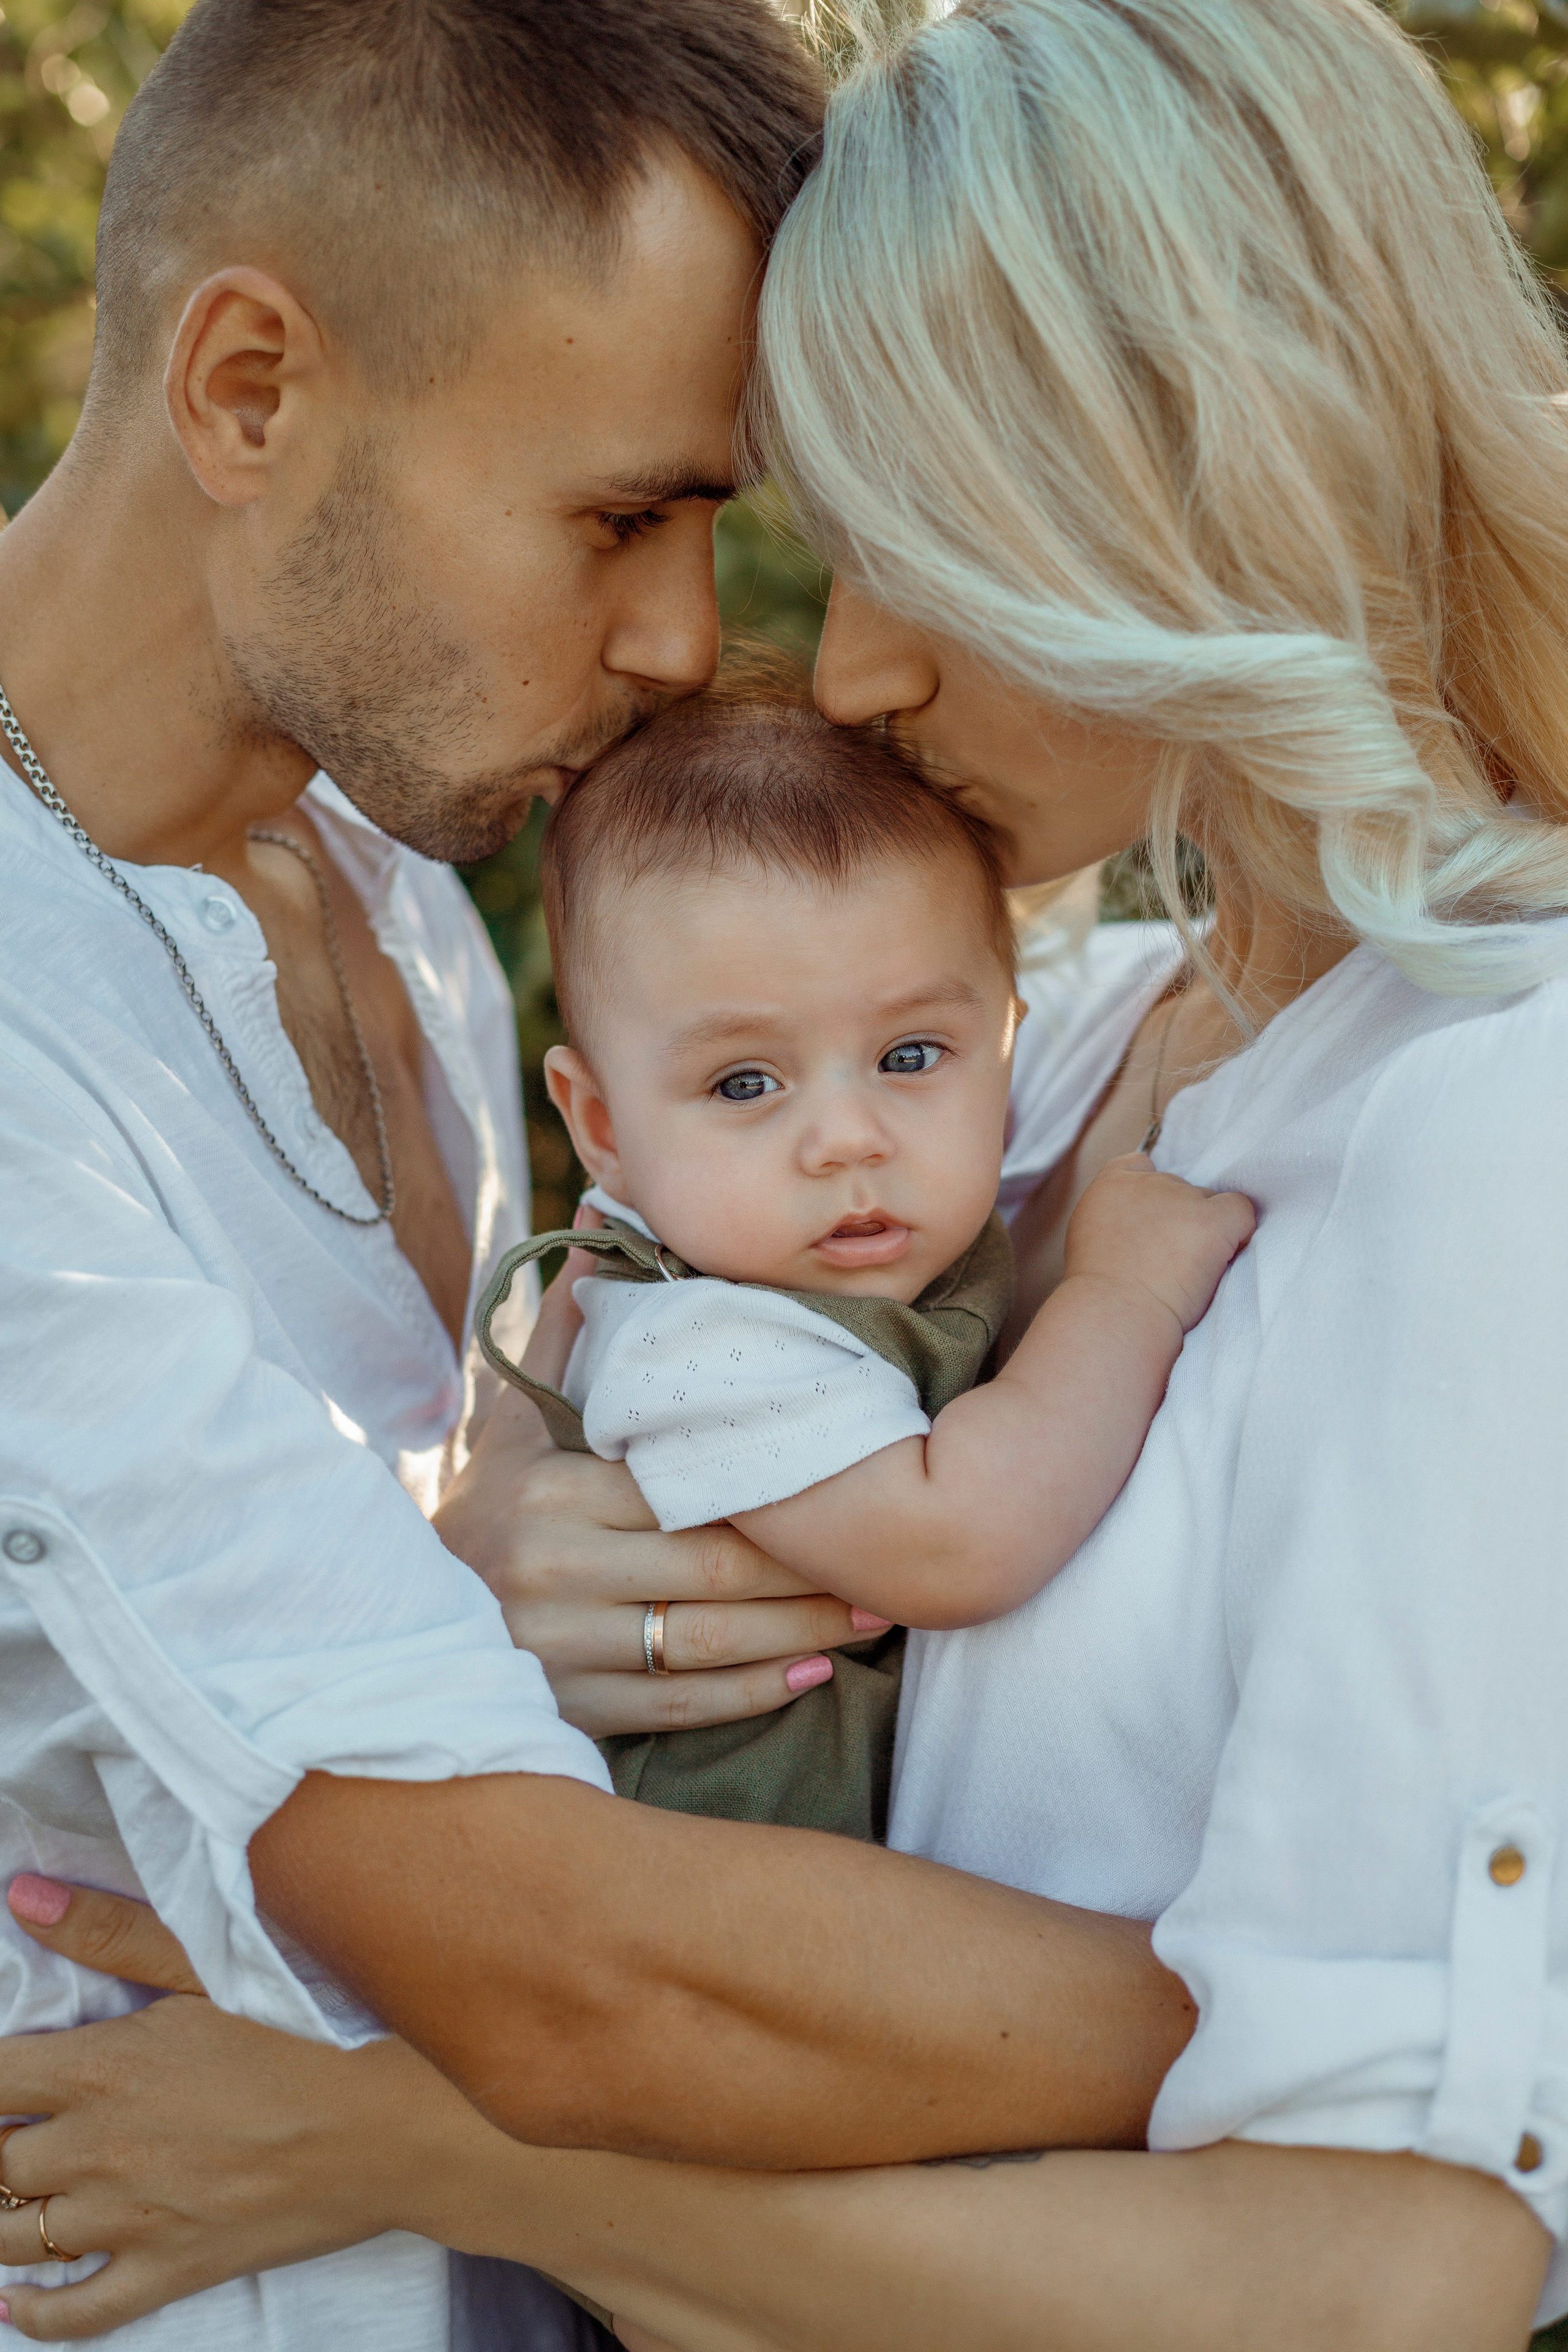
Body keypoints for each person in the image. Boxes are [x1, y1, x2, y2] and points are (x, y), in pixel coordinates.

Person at [6, 0, 1568, 2343]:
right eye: (632, 513)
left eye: (851, 535)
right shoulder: (1078, 1058)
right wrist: (498, 1543)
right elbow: (572, 1903)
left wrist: (431, 2141)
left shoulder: (414, 912)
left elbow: (1397, 2232)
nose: (751, 661)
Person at [484, 682, 1250, 1836]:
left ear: (1008, 1045)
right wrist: (1122, 1294)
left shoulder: (838, 1268)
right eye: (745, 1082)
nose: (848, 1137)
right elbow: (957, 1540)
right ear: (602, 1132)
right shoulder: (696, 1346)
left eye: (910, 1054)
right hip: (707, 1919)